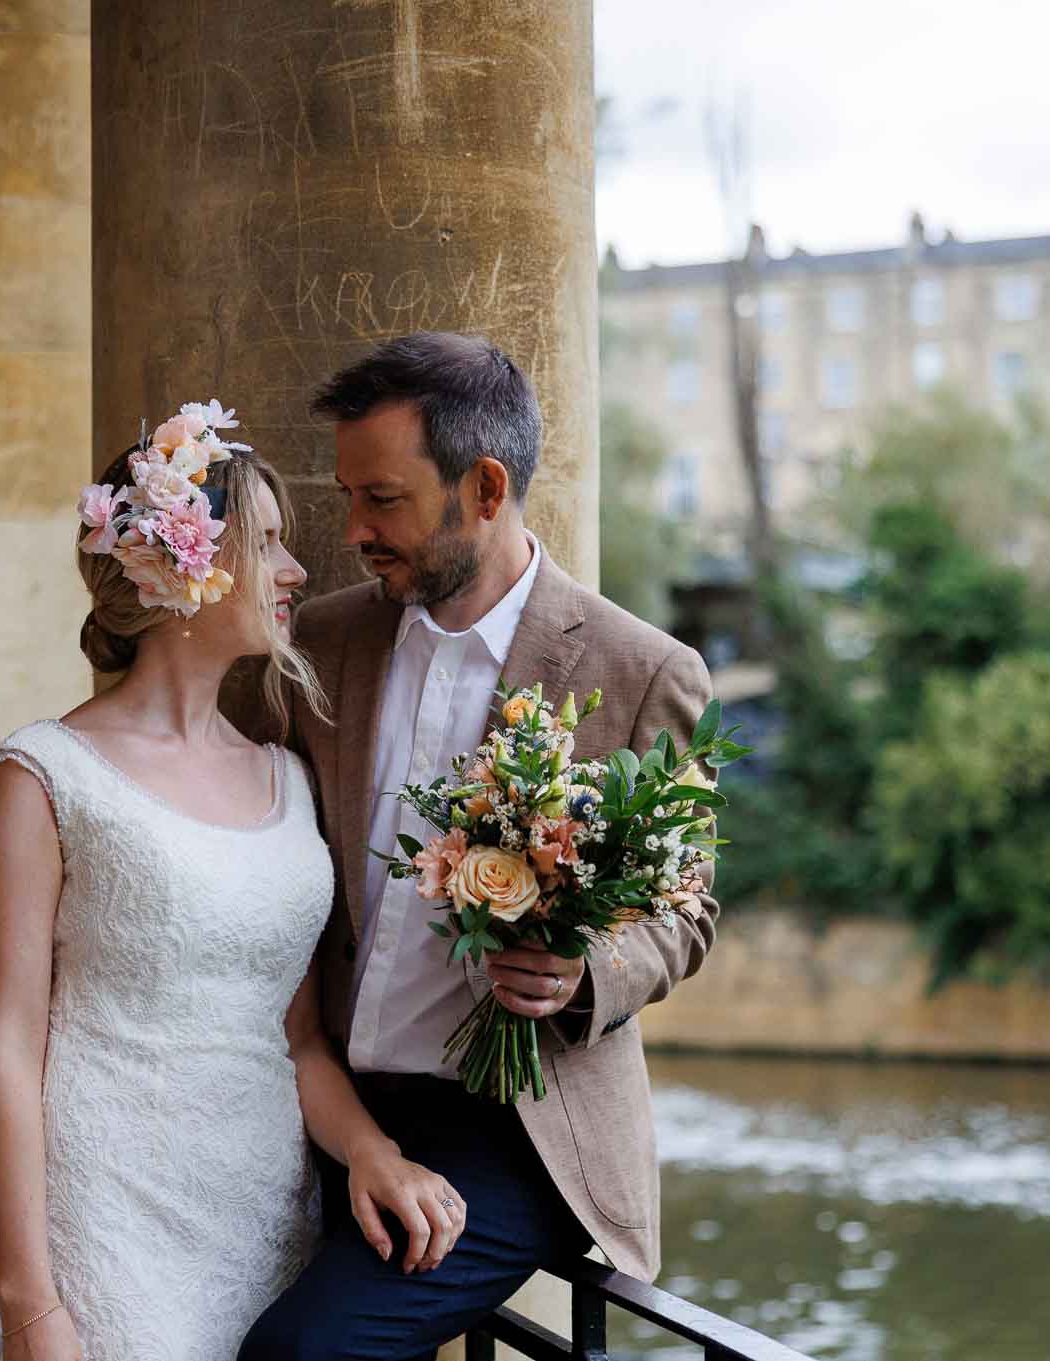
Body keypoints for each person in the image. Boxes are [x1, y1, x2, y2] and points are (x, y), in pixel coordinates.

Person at [237, 332, 721, 1360]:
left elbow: (685, 908)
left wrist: (581, 968)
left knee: (297, 1353)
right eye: (348, 497)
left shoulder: (643, 670)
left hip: (511, 1129)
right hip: (314, 1094)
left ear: (485, 485)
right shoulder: (316, 644)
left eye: (383, 499)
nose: (354, 529)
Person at [0, 401, 469, 1361]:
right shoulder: (42, 776)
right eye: (270, 544)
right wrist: (29, 1301)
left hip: (270, 1221)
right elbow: (3, 1047)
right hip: (111, 1218)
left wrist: (371, 1152)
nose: (297, 569)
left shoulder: (286, 773)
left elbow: (298, 1042)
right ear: (186, 565)